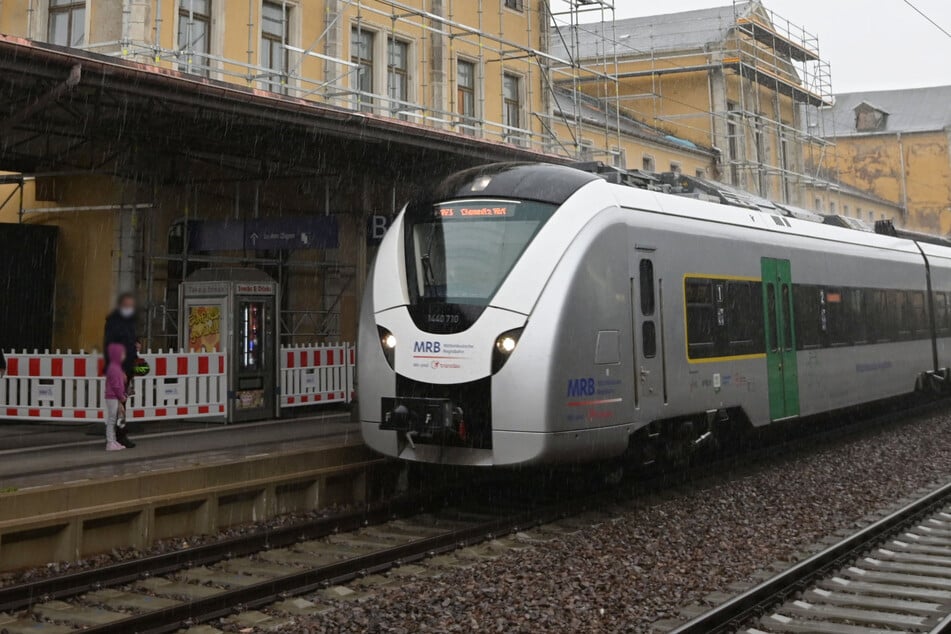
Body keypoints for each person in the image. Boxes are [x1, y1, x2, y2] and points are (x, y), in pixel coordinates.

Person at [104, 293, 139, 448]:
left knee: (123, 403)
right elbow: (110, 346)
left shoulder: (129, 322)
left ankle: (119, 434)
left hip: (128, 365)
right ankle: (118, 435)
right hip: (120, 367)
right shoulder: (113, 323)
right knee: (120, 404)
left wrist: (137, 343)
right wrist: (119, 368)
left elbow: (133, 338)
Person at [104, 343, 128, 451]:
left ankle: (113, 441)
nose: (124, 355)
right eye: (122, 353)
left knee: (113, 419)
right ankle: (110, 442)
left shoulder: (116, 367)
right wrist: (121, 396)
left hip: (113, 396)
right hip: (112, 396)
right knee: (112, 419)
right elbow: (116, 385)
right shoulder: (114, 368)